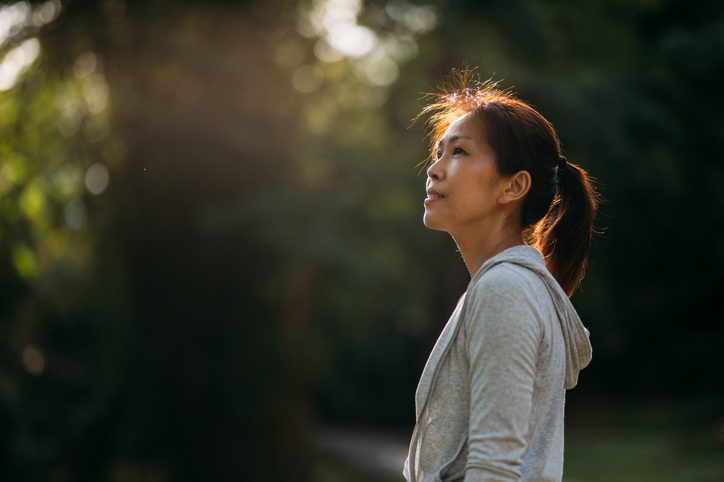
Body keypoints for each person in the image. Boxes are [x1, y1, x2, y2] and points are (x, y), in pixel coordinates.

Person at [403, 70, 599, 482]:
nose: (435, 169)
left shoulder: (505, 289)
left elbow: (494, 468)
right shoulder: (507, 286)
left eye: (459, 153)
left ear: (513, 187)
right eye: (438, 152)